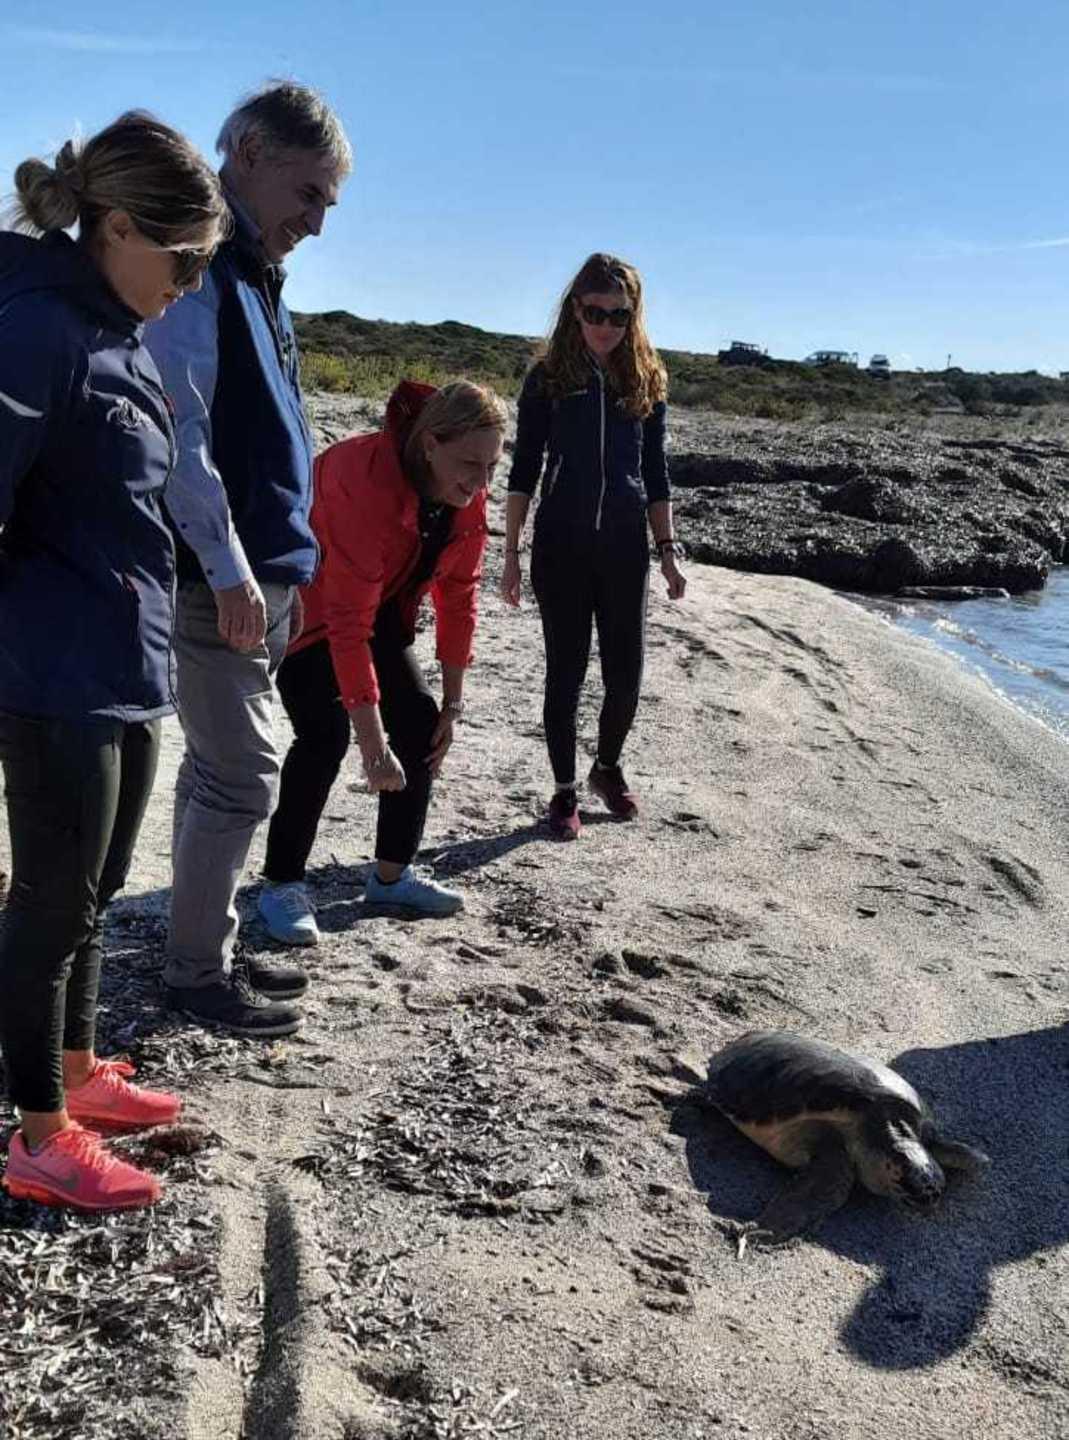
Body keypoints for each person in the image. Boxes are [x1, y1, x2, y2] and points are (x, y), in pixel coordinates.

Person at [0, 113, 229, 1211]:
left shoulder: (116, 323)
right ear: (121, 227)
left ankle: (82, 1078)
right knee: (46, 909)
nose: (190, 283)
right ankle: (39, 1137)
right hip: (53, 673)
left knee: (93, 896)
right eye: (183, 259)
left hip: (124, 660)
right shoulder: (38, 329)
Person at [144, 82, 352, 1036]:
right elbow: (181, 437)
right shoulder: (204, 270)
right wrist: (232, 572)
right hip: (213, 577)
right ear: (254, 153)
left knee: (217, 775)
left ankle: (202, 950)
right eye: (308, 194)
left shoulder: (258, 278)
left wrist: (287, 571)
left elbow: (279, 439)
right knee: (242, 774)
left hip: (261, 574)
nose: (315, 221)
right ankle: (193, 974)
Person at [257, 380, 506, 945]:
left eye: (492, 466)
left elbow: (460, 594)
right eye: (471, 463)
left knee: (420, 728)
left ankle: (391, 877)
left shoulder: (467, 487)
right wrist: (373, 746)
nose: (482, 482)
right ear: (429, 446)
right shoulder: (361, 478)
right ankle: (280, 886)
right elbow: (345, 626)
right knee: (325, 738)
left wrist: (454, 702)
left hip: (384, 604)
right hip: (307, 608)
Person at [502, 252, 686, 839]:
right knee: (566, 673)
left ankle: (606, 767)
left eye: (619, 315)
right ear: (573, 310)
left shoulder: (647, 381)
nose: (605, 325)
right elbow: (523, 470)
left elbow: (655, 473)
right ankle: (563, 791)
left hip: (625, 549)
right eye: (594, 312)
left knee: (626, 676)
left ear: (634, 317)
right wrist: (509, 553)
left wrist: (669, 551)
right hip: (560, 545)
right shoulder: (549, 378)